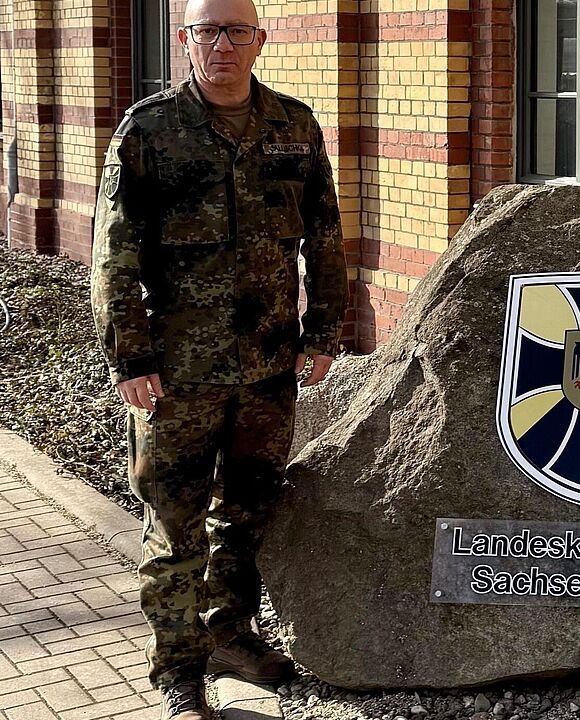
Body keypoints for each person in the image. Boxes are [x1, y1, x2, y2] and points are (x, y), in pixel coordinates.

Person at [90, 0, 348, 716]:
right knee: (174, 525)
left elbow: (326, 236)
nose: (223, 45)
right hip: (177, 375)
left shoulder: (295, 126)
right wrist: (130, 356)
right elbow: (114, 255)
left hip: (267, 367)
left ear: (260, 40)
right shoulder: (148, 131)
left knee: (246, 513)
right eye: (208, 31)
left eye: (237, 31)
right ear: (186, 40)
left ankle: (231, 636)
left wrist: (323, 332)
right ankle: (179, 672)